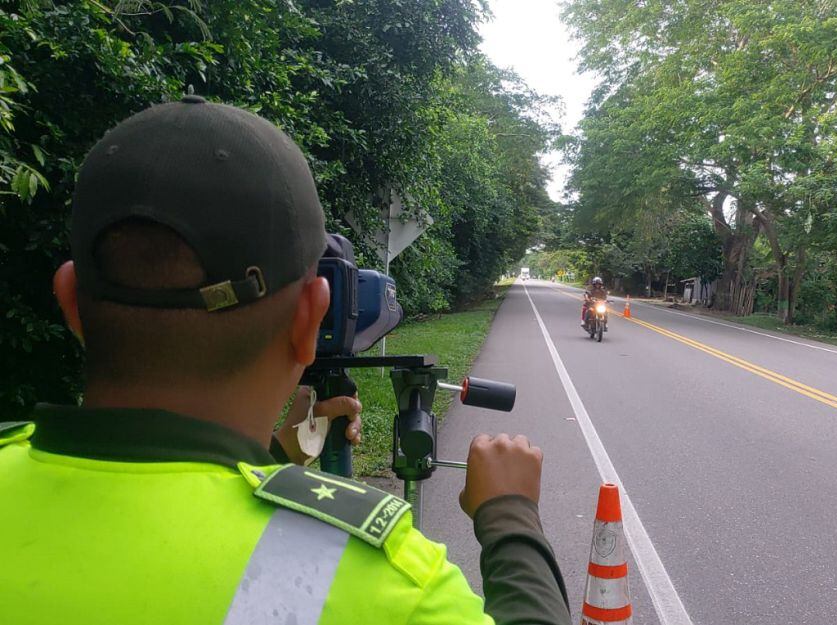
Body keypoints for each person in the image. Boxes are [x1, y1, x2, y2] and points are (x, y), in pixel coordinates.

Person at [0, 96, 570, 624]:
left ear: (70, 303)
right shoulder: (389, 582)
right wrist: (510, 515)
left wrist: (274, 455)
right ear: (309, 320)